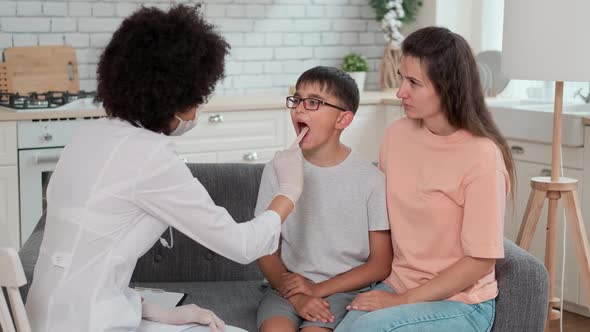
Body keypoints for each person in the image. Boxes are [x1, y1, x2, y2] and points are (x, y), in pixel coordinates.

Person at [25, 5, 304, 332]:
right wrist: (288, 193)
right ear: (171, 95)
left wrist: (165, 313)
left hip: (42, 318)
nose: (197, 109)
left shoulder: (89, 135)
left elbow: (88, 260)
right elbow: (241, 245)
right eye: (196, 98)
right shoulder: (149, 156)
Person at [335, 27, 515, 332]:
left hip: (460, 303)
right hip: (398, 285)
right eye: (402, 78)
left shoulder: (482, 157)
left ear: (447, 87)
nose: (400, 91)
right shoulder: (397, 134)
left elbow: (480, 262)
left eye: (413, 83)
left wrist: (401, 302)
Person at [255, 66, 393, 332]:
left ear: (343, 120)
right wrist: (297, 296)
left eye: (313, 103)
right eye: (297, 99)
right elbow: (265, 248)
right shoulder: (277, 169)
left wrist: (318, 289)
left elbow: (381, 263)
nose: (299, 109)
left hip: (343, 290)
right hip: (287, 288)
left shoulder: (371, 179)